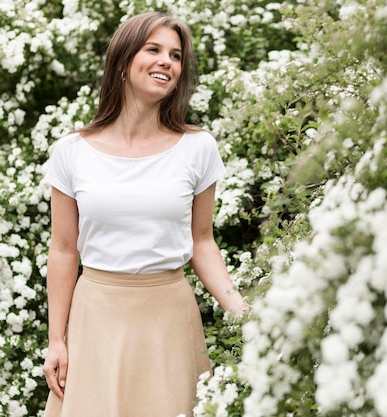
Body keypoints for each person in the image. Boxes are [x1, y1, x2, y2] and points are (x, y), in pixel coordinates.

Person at [41, 11, 249, 417]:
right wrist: (57, 340)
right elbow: (64, 250)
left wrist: (241, 310)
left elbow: (202, 242)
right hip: (96, 317)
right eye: (153, 49)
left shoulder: (198, 147)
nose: (166, 62)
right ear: (122, 61)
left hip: (168, 319)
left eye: (175, 55)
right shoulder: (71, 151)